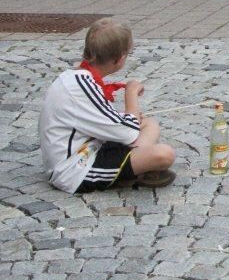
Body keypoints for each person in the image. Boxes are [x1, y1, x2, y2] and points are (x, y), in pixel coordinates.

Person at [38, 18, 176, 193]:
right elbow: (128, 132)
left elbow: (102, 117)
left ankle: (133, 167)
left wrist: (126, 119)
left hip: (92, 144)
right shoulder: (82, 86)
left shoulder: (77, 78)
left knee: (149, 124)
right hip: (74, 169)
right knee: (164, 154)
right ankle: (132, 172)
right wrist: (131, 94)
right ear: (120, 59)